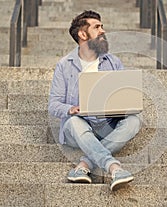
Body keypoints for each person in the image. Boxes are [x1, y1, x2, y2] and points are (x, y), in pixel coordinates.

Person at [48, 10, 141, 191]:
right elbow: (54, 104)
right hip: (79, 128)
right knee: (73, 122)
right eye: (96, 27)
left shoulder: (113, 62)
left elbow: (124, 96)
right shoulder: (65, 65)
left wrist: (125, 104)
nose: (102, 31)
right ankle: (114, 167)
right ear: (82, 34)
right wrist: (72, 109)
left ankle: (84, 165)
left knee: (134, 121)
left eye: (102, 26)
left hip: (107, 125)